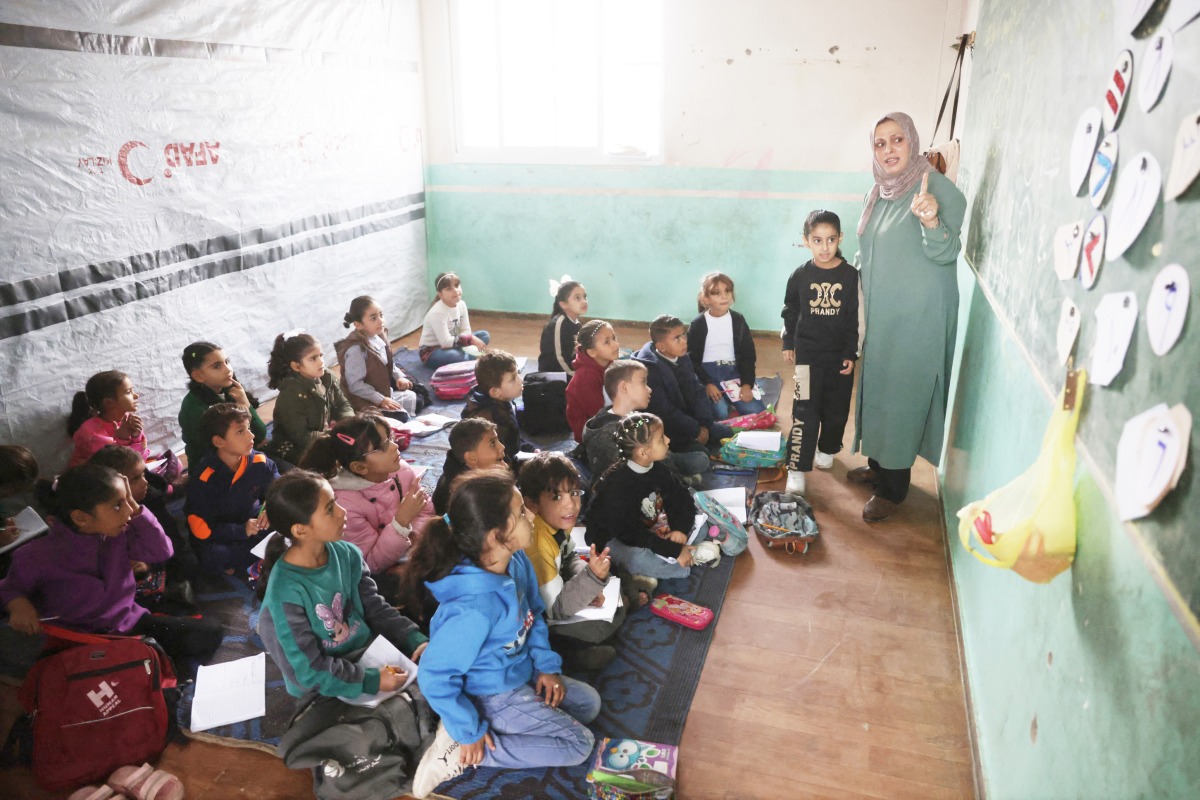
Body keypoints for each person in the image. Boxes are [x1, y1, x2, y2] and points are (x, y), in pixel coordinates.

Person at [409, 469, 601, 798]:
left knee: (588, 704)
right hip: (492, 694)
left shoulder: (515, 561)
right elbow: (434, 676)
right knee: (579, 744)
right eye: (521, 512)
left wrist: (546, 666)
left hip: (519, 672)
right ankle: (465, 747)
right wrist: (469, 729)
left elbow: (535, 614)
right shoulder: (474, 609)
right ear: (496, 535)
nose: (530, 515)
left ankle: (477, 727)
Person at [0, 464, 223, 679]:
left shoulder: (118, 534)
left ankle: (139, 662)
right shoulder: (35, 555)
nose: (128, 511)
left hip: (130, 623)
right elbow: (10, 587)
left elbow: (162, 551)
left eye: (128, 502)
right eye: (118, 505)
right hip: (80, 640)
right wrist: (18, 604)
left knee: (209, 633)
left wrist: (136, 510)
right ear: (81, 518)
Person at [853, 112, 966, 522]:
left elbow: (946, 252)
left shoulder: (937, 190)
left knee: (903, 396)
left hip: (918, 317)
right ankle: (882, 465)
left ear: (913, 142)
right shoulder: (879, 192)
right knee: (881, 388)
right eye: (879, 143)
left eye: (897, 140)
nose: (888, 150)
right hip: (884, 313)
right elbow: (868, 248)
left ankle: (894, 489)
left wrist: (932, 220)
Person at [255, 470, 429, 700]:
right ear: (300, 530)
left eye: (335, 501)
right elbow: (309, 672)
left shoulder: (346, 554)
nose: (342, 512)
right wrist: (371, 680)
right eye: (329, 509)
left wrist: (415, 640)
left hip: (364, 654)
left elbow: (374, 607)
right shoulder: (285, 593)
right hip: (321, 684)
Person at [300, 415, 433, 601]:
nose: (394, 447)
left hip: (410, 548)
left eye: (390, 439)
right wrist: (401, 523)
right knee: (403, 589)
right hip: (377, 570)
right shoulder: (344, 503)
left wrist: (413, 537)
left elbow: (426, 511)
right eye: (382, 447)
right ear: (359, 467)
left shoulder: (401, 470)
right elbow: (369, 564)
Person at [781, 210, 864, 496]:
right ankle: (796, 468)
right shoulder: (800, 275)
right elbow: (790, 311)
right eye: (817, 240)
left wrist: (850, 353)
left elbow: (854, 317)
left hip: (838, 357)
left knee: (836, 408)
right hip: (807, 358)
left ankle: (827, 449)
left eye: (830, 239)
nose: (824, 247)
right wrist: (788, 343)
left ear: (840, 238)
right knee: (804, 411)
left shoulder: (851, 276)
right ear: (806, 241)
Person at [519, 452, 625, 672]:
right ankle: (570, 656)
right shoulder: (538, 545)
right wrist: (592, 580)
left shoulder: (556, 523)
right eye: (557, 497)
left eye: (575, 493)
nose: (572, 505)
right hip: (543, 617)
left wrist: (587, 577)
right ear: (533, 504)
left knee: (617, 586)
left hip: (558, 591)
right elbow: (555, 610)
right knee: (602, 624)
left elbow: (569, 557)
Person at [584, 413, 698, 604]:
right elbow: (630, 534)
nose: (668, 440)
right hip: (617, 538)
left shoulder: (658, 468)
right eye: (662, 438)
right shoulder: (617, 485)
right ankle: (674, 562)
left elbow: (681, 498)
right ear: (644, 453)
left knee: (696, 516)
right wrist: (672, 549)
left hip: (649, 527)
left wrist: (680, 529)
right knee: (636, 558)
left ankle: (662, 566)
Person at [89, 445, 202, 611]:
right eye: (135, 479)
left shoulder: (151, 497)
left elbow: (172, 541)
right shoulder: (101, 516)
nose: (145, 482)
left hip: (153, 556)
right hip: (123, 572)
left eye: (144, 474)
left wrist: (151, 564)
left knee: (189, 563)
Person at [634, 315, 733, 480]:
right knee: (702, 457)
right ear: (661, 346)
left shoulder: (684, 357)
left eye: (683, 335)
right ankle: (676, 461)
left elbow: (698, 391)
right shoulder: (650, 372)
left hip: (690, 421)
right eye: (677, 338)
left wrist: (704, 425)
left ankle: (701, 438)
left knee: (727, 433)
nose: (684, 341)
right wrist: (695, 430)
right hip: (668, 431)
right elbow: (665, 412)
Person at [184, 404, 278, 574]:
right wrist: (241, 530)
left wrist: (270, 508)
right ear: (219, 441)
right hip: (224, 532)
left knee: (290, 517)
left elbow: (277, 489)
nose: (252, 435)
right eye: (241, 431)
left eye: (249, 428)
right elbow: (201, 526)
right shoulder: (205, 478)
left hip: (255, 520)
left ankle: (249, 559)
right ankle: (256, 556)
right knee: (213, 555)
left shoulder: (258, 461)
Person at [264, 332, 354, 464]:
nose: (321, 362)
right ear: (296, 366)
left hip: (322, 434)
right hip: (295, 447)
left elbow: (342, 404)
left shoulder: (327, 377)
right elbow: (301, 436)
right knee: (332, 463)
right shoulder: (291, 395)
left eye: (321, 355)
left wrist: (349, 424)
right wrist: (334, 437)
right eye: (313, 358)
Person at [688, 271, 766, 421]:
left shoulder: (738, 320)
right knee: (720, 414)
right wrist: (708, 384)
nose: (724, 296)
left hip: (732, 371)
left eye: (727, 291)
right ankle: (725, 402)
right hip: (707, 372)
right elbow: (691, 360)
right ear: (706, 299)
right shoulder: (698, 324)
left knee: (758, 413)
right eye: (717, 293)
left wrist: (747, 384)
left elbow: (748, 356)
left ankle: (730, 399)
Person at [179, 342, 268, 469]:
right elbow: (220, 452)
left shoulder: (231, 391)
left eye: (227, 362)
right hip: (214, 469)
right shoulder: (194, 409)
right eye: (217, 366)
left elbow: (260, 434)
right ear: (198, 376)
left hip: (241, 456)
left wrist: (245, 404)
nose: (228, 369)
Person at [335, 296, 420, 419]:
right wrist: (381, 400)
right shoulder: (356, 350)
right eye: (373, 318)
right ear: (358, 325)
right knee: (403, 415)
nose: (381, 321)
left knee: (418, 392)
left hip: (381, 385)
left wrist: (399, 377)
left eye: (381, 315)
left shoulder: (378, 335)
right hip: (365, 398)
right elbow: (355, 386)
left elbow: (389, 363)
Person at [580, 359, 652, 478]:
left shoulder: (633, 418)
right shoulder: (609, 435)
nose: (649, 389)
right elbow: (630, 477)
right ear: (624, 387)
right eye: (643, 382)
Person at [67, 371, 150, 468]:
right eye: (128, 392)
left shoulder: (128, 420)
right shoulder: (91, 434)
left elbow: (140, 460)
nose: (136, 396)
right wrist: (123, 439)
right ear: (109, 403)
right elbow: (116, 467)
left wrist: (137, 437)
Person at [462, 350, 527, 470]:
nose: (520, 380)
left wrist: (529, 449)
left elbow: (514, 439)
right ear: (495, 392)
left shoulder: (501, 401)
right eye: (513, 378)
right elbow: (497, 459)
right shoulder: (494, 420)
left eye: (518, 373)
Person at [430, 418, 506, 516]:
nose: (502, 446)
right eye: (492, 443)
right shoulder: (468, 493)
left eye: (497, 440)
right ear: (471, 458)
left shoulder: (460, 467)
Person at [418, 273, 490, 368]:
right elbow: (445, 343)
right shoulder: (438, 312)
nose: (456, 290)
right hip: (433, 351)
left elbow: (466, 330)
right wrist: (471, 340)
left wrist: (470, 340)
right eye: (449, 289)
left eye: (457, 286)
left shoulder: (462, 304)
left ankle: (466, 358)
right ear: (441, 295)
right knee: (456, 356)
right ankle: (466, 358)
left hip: (454, 343)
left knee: (484, 335)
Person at [565, 320, 621, 442]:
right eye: (607, 342)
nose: (615, 345)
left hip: (609, 417)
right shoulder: (586, 377)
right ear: (592, 352)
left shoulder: (608, 363)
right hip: (591, 432)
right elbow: (597, 415)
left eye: (614, 338)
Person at [539, 277, 588, 375]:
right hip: (555, 376)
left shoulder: (576, 324)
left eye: (585, 297)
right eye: (577, 298)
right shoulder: (558, 325)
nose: (584, 301)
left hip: (570, 371)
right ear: (563, 304)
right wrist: (575, 376)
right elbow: (558, 359)